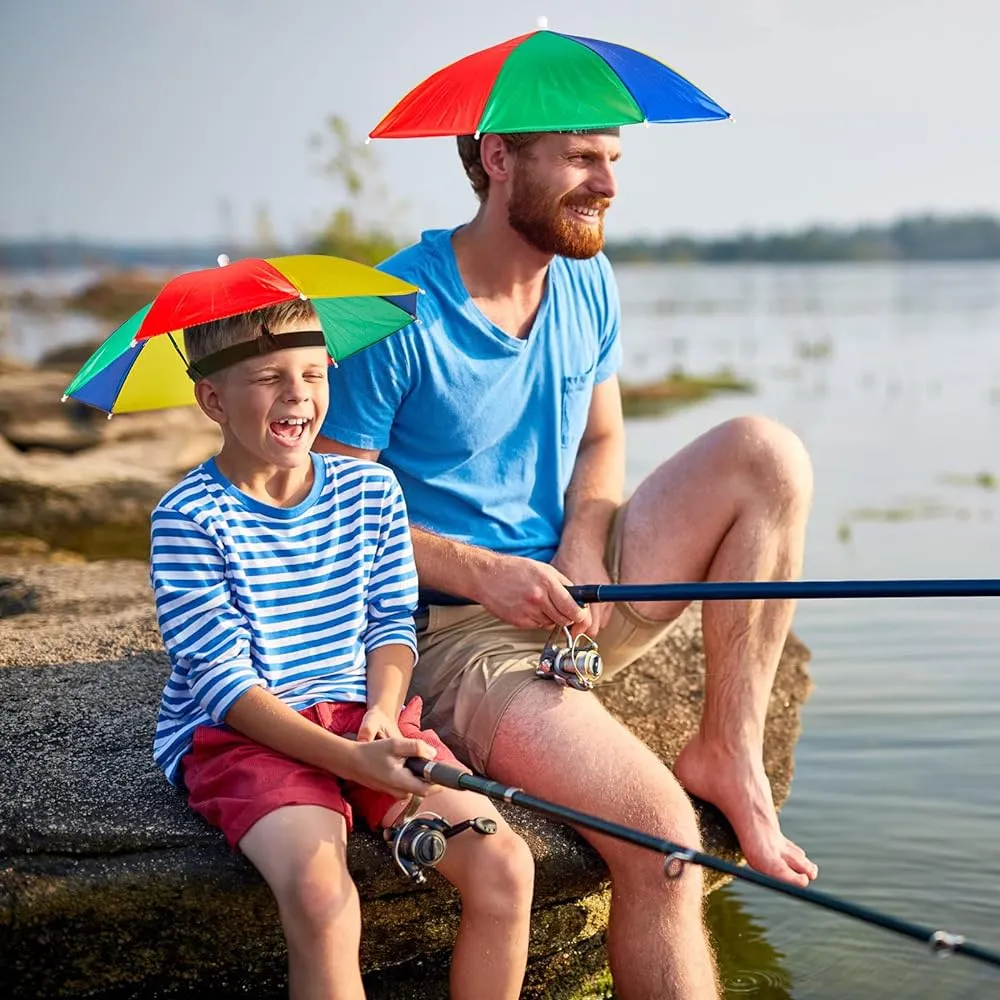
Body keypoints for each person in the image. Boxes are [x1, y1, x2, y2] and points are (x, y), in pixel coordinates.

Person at [314, 127, 818, 999]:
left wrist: (586, 535)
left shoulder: (586, 276)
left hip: (574, 587)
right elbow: (332, 516)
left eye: (614, 160)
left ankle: (727, 750)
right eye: (583, 157)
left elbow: (602, 437)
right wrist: (486, 573)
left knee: (766, 454)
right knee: (664, 843)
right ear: (499, 158)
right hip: (457, 632)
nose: (608, 184)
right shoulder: (392, 308)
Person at [150, 298, 534, 1000]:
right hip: (248, 736)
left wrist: (382, 715)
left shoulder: (371, 490)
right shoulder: (188, 518)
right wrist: (350, 762)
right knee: (325, 902)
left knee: (505, 864)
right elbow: (224, 686)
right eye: (268, 377)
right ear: (213, 400)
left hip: (362, 716)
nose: (297, 394)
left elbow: (390, 625)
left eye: (313, 372)